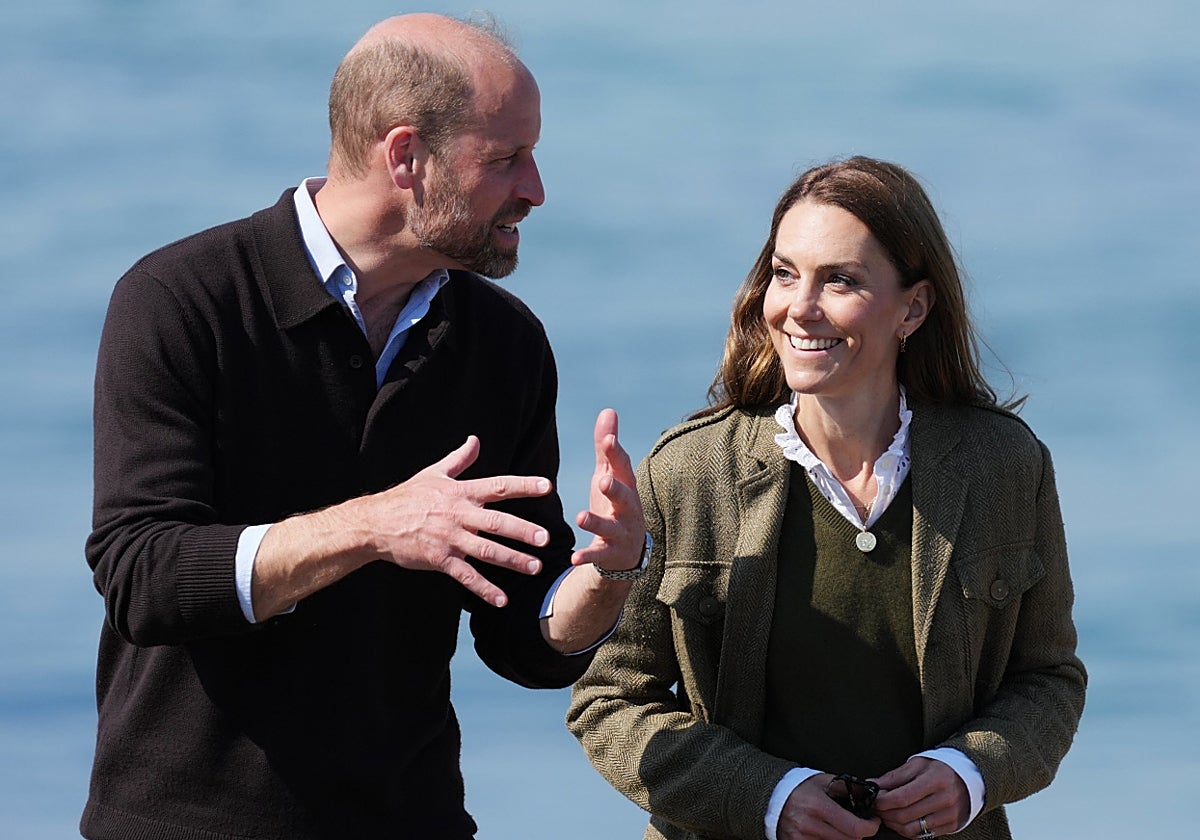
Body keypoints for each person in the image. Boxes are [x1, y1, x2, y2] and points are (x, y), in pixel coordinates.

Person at [83, 13, 648, 840]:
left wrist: (608, 576)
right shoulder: (180, 300)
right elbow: (145, 577)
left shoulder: (505, 343)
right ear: (405, 156)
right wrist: (375, 526)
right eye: (506, 158)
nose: (535, 189)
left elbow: (522, 634)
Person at [568, 156, 1086, 840]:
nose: (798, 308)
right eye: (785, 274)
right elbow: (610, 701)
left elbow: (1048, 679)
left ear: (913, 308)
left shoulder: (1005, 466)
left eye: (840, 280)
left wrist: (970, 772)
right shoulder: (688, 472)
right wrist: (766, 797)